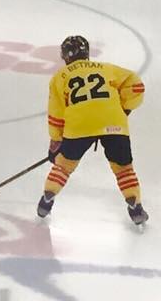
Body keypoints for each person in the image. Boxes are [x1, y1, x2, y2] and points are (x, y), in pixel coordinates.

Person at [38, 35, 147, 225]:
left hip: (78, 126)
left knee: (63, 166)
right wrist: (124, 107)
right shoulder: (107, 69)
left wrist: (56, 140)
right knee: (123, 168)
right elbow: (136, 86)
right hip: (114, 123)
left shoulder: (60, 77)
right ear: (86, 52)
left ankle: (48, 196)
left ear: (65, 56)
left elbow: (56, 113)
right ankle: (135, 205)